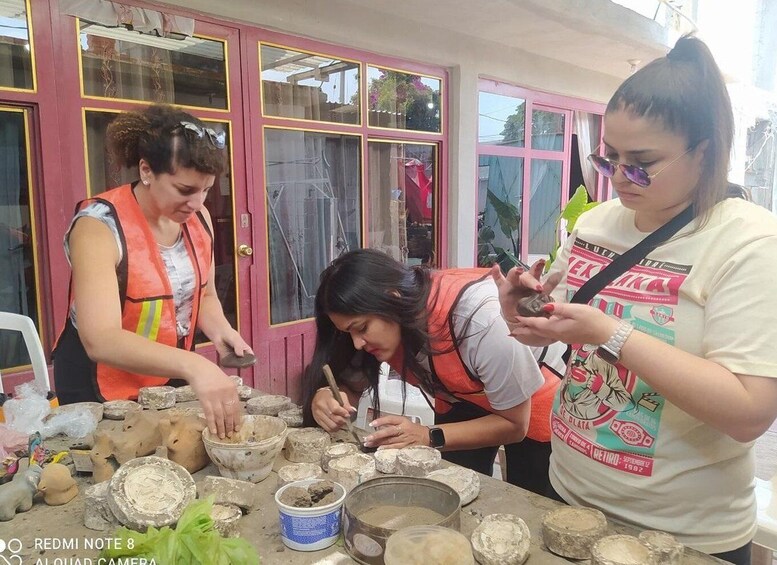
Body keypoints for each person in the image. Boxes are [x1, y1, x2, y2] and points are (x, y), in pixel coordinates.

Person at [492, 35, 777, 564]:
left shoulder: (750, 243)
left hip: (680, 531)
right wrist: (522, 310)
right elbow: (555, 317)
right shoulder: (599, 222)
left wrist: (610, 333)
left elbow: (748, 413)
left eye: (642, 162)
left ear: (705, 150)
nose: (621, 178)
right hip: (570, 492)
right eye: (610, 158)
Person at [53, 104, 252, 440]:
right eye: (185, 190)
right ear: (146, 170)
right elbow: (100, 339)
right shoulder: (97, 227)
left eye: (206, 189)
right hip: (99, 383)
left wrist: (221, 332)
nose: (197, 201)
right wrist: (195, 365)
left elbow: (203, 294)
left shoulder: (198, 218)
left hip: (166, 374)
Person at [301, 248, 566, 495]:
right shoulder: (381, 326)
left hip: (533, 398)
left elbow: (514, 425)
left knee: (529, 494)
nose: (357, 343)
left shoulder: (479, 321)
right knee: (454, 486)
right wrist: (327, 397)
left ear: (392, 299)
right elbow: (349, 383)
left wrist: (428, 435)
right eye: (348, 333)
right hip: (463, 393)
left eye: (361, 328)